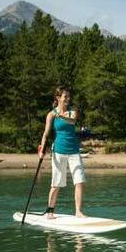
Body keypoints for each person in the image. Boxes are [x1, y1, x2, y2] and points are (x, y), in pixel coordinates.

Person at [38, 86, 86, 219]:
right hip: (58, 151)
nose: (67, 99)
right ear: (58, 98)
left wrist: (60, 116)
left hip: (74, 151)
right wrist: (42, 149)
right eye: (65, 97)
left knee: (79, 180)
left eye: (69, 97)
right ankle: (50, 211)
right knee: (57, 182)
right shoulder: (51, 115)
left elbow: (72, 121)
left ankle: (78, 211)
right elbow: (46, 134)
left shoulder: (72, 111)